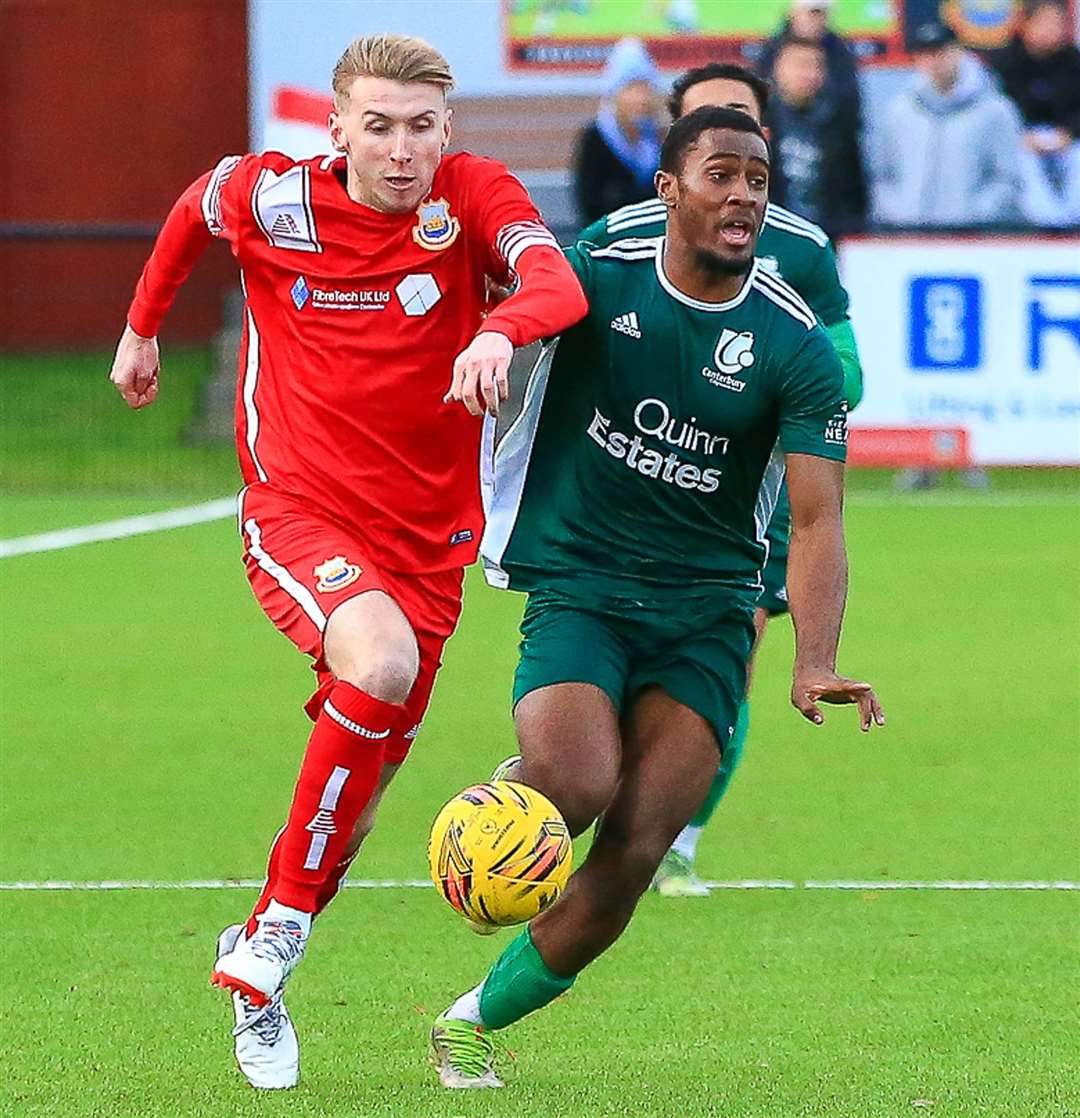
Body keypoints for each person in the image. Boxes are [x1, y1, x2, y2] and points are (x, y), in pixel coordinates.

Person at [108, 34, 586, 1091]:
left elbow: (556, 283)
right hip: (301, 509)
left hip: (432, 544)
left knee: (356, 801)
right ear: (337, 127)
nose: (402, 148)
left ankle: (261, 963)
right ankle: (276, 933)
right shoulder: (272, 197)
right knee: (378, 660)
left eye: (421, 126)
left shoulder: (470, 195)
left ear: (447, 131)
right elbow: (197, 205)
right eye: (379, 125)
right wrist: (142, 328)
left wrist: (502, 326)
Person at [430, 106, 884, 1088]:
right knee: (578, 781)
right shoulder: (599, 280)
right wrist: (496, 340)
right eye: (721, 174)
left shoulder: (794, 347)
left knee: (636, 842)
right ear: (669, 190)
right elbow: (517, 297)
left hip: (710, 613)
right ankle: (506, 800)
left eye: (759, 179)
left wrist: (813, 656)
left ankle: (470, 1020)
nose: (744, 195)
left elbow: (816, 520)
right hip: (585, 587)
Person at [577, 60, 865, 897]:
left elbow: (846, 369)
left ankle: (678, 837)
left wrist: (773, 387)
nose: (736, 173)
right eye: (710, 136)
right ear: (675, 155)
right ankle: (572, 791)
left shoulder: (801, 249)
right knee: (608, 674)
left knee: (725, 661)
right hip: (626, 497)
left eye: (746, 135)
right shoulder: (618, 235)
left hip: (751, 492)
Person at [872, 22, 1023, 228]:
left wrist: (976, 215)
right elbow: (882, 173)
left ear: (959, 52)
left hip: (974, 239)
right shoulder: (898, 111)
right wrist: (899, 213)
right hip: (909, 238)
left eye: (941, 52)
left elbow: (1008, 177)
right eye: (925, 54)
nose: (934, 61)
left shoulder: (994, 111)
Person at [988, 0, 1080, 227]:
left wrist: (1069, 134)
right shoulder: (1004, 61)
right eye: (1046, 22)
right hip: (1021, 140)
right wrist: (1020, 136)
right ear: (1027, 24)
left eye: (1058, 23)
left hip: (1067, 139)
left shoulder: (1074, 61)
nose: (1053, 29)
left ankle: (1073, 223)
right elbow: (995, 110)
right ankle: (1048, 225)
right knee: (1025, 164)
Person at [765, 36, 867, 237]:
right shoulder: (758, 121)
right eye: (801, 65)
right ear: (779, 69)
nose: (810, 74)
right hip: (770, 236)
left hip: (828, 236)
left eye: (818, 66)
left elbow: (854, 190)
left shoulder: (840, 122)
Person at [572, 38, 664, 224]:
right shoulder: (596, 138)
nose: (640, 98)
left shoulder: (659, 137)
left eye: (644, 88)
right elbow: (589, 202)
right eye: (630, 89)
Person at [755, 0, 861, 108]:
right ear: (794, 13)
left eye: (823, 14)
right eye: (813, 13)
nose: (817, 20)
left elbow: (848, 95)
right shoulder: (772, 49)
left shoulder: (840, 51)